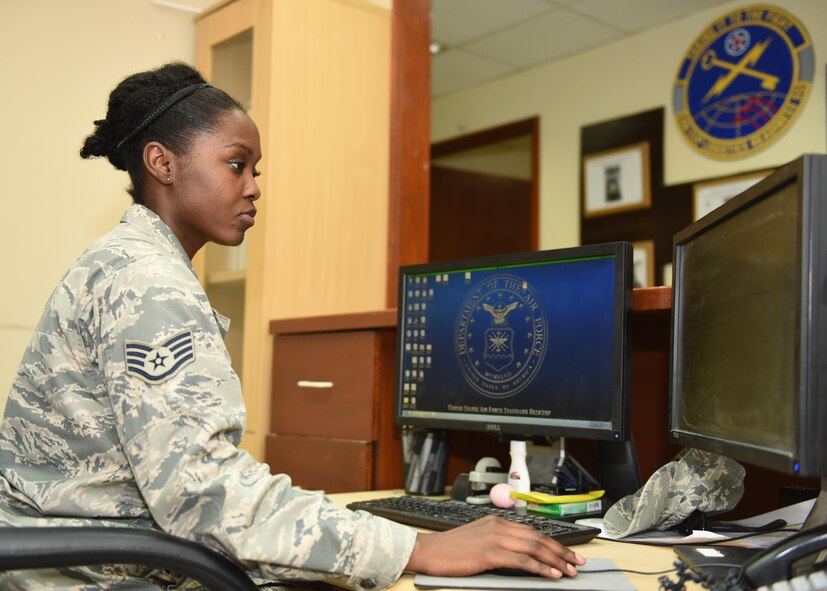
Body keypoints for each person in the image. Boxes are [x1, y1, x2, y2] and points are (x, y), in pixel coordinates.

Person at [0, 62, 585, 590]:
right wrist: (419, 547)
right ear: (162, 162)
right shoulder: (148, 282)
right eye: (236, 164)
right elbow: (205, 497)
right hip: (93, 576)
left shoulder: (126, 261)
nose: (254, 186)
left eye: (256, 170)